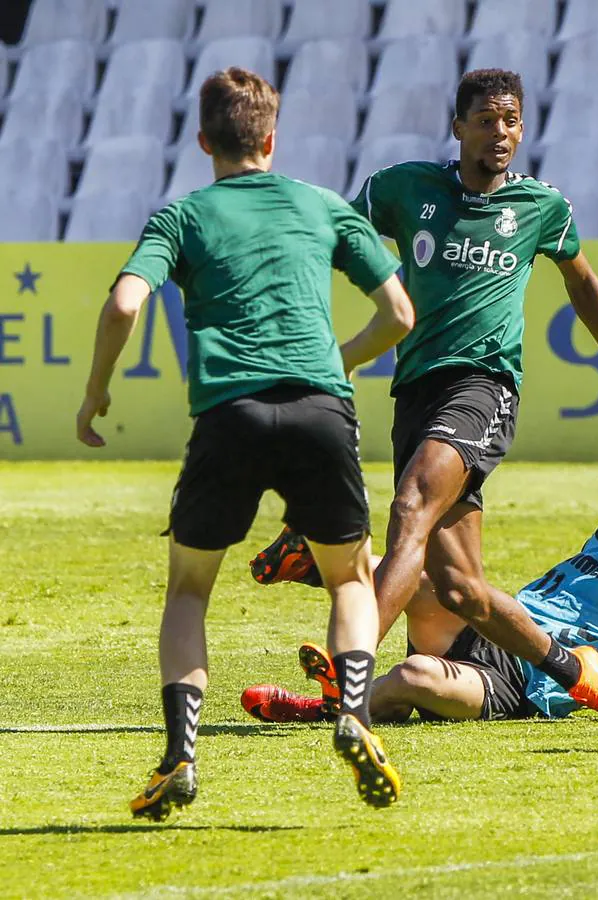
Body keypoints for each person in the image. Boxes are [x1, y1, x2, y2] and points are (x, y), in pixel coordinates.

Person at [251, 69, 598, 723]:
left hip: (483, 387)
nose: (501, 133)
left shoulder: (540, 208)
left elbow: (582, 282)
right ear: (458, 126)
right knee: (462, 589)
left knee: (409, 507)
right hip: (415, 390)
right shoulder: (404, 189)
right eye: (487, 120)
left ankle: (349, 672)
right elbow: (334, 242)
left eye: (511, 120)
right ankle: (576, 672)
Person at [75, 67, 415, 817]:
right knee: (350, 578)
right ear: (271, 138)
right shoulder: (323, 206)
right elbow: (398, 313)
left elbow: (125, 303)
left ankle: (180, 756)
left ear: (204, 141)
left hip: (228, 416)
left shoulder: (184, 216)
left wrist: (97, 390)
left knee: (190, 589)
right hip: (320, 409)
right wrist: (336, 361)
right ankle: (354, 715)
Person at [243, 434, 598, 725]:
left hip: (527, 683)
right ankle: (317, 557)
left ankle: (328, 703)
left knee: (415, 674)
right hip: (497, 630)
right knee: (427, 574)